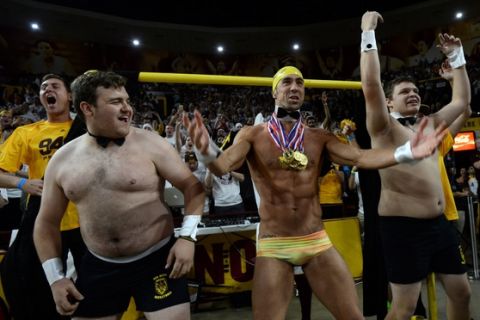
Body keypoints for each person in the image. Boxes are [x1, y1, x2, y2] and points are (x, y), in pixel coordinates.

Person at [184, 65, 446, 320]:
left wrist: (407, 152)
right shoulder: (252, 134)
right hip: (275, 242)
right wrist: (206, 151)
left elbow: (361, 158)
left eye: (300, 83)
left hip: (315, 239)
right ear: (274, 92)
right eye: (287, 82)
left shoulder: (319, 136)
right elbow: (222, 166)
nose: (295, 87)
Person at [33, 71, 206, 318]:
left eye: (127, 101)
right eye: (116, 102)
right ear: (87, 108)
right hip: (99, 264)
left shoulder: (151, 143)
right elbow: (46, 223)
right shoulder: (62, 160)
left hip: (158, 259)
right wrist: (55, 279)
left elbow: (194, 188)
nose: (127, 109)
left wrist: (188, 238)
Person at [360, 11, 471, 320]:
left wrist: (457, 56)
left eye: (415, 90)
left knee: (462, 293)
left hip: (439, 225)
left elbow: (461, 101)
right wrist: (367, 32)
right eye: (404, 91)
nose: (413, 94)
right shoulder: (383, 129)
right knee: (404, 307)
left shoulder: (428, 125)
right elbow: (370, 85)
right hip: (403, 228)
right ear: (390, 103)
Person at [0, 74, 85, 320]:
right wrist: (23, 183)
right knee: (34, 285)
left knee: (95, 287)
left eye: (55, 86)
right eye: (44, 88)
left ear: (70, 96)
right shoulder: (26, 132)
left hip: (86, 221)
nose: (48, 89)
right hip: (47, 222)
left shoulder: (88, 128)